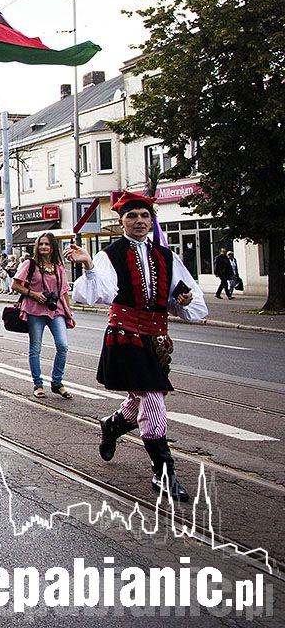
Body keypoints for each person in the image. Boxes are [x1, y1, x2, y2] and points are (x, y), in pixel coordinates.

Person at [68, 191, 207, 503]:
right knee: (153, 396)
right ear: (121, 222)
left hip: (156, 341)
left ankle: (113, 425)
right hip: (125, 336)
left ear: (151, 220)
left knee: (140, 397)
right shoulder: (111, 254)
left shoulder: (167, 256)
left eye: (145, 216)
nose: (140, 221)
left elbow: (185, 301)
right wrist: (89, 265)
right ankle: (163, 471)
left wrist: (181, 301)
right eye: (132, 216)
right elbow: (98, 293)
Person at [11, 232, 75, 399]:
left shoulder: (58, 266)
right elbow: (15, 285)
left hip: (56, 310)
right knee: (35, 348)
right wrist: (34, 294)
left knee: (63, 346)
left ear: (53, 246)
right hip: (35, 309)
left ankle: (57, 382)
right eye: (41, 244)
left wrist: (69, 310)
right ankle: (38, 384)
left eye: (47, 244)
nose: (43, 247)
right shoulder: (29, 264)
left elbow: (64, 291)